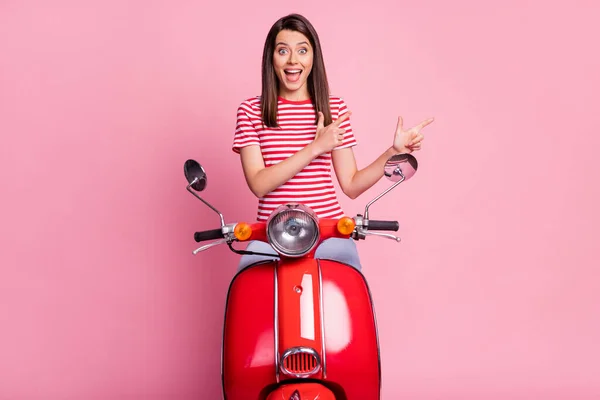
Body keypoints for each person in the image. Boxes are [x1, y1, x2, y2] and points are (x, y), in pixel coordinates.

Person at [232, 13, 434, 271]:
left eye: (302, 51)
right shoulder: (251, 110)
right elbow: (259, 184)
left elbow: (351, 185)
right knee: (246, 295)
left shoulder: (333, 108)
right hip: (270, 237)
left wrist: (393, 151)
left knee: (349, 298)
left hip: (328, 233)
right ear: (271, 58)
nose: (293, 60)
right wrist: (315, 148)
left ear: (313, 57)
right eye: (283, 51)